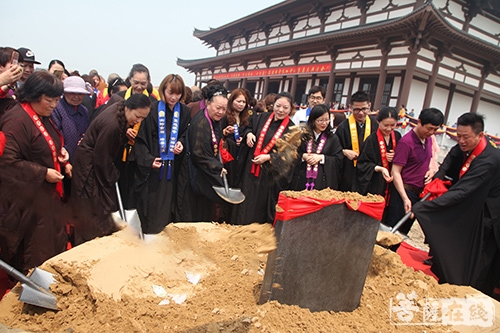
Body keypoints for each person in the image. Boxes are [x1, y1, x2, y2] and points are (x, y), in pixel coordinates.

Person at [413, 113, 500, 300]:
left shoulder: (490, 158)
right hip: (472, 204)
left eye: (465, 137)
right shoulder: (462, 147)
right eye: (458, 135)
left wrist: (429, 206)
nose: (460, 140)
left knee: (481, 258)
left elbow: (464, 189)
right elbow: (448, 165)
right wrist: (436, 181)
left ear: (480, 135)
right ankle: (445, 270)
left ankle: (473, 292)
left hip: (489, 214)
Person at [0, 71, 69, 273]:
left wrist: (59, 154)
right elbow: (7, 162)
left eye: (57, 100)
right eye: (49, 99)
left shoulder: (42, 115)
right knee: (35, 254)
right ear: (34, 95)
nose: (54, 105)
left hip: (46, 199)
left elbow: (45, 144)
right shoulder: (17, 120)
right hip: (26, 202)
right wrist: (43, 172)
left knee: (51, 247)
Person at [71, 94, 151, 244]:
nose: (138, 121)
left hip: (99, 160)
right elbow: (102, 159)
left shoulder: (120, 108)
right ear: (128, 107)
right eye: (137, 116)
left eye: (142, 118)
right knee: (93, 205)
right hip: (89, 166)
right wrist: (112, 176)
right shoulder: (112, 124)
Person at [134, 74, 190, 234]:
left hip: (174, 167)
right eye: (170, 92)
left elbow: (186, 133)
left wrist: (181, 142)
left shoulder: (184, 111)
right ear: (163, 90)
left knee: (172, 203)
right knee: (153, 205)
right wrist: (149, 160)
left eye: (178, 94)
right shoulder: (151, 109)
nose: (174, 97)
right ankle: (150, 234)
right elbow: (141, 140)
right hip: (155, 166)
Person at [232, 92, 297, 225]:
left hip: (268, 175)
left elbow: (292, 155)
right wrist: (249, 134)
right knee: (245, 202)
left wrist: (269, 157)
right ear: (273, 105)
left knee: (260, 206)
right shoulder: (262, 117)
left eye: (285, 108)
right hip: (250, 170)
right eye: (278, 106)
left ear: (291, 109)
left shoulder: (292, 129)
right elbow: (248, 126)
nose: (280, 110)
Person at [385, 108, 444, 235]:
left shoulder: (428, 140)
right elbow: (396, 172)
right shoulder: (407, 142)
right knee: (393, 230)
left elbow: (427, 161)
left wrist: (430, 170)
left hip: (419, 194)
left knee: (404, 232)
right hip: (404, 192)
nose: (431, 132)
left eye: (435, 129)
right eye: (429, 128)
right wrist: (405, 198)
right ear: (419, 122)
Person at [176, 84, 229, 222]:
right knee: (191, 214)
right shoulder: (201, 122)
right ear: (208, 103)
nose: (221, 112)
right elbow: (199, 154)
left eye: (224, 109)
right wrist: (217, 167)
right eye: (218, 108)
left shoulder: (215, 120)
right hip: (192, 173)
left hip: (203, 172)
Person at [115, 64, 159, 209]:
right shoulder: (118, 98)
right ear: (129, 80)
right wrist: (125, 130)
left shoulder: (153, 103)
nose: (139, 87)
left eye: (143, 83)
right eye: (136, 82)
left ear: (149, 82)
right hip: (119, 153)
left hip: (140, 156)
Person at [51, 76, 92, 195]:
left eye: (80, 93)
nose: (76, 97)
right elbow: (55, 136)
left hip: (80, 162)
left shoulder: (84, 110)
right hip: (62, 162)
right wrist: (65, 163)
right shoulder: (57, 108)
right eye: (72, 93)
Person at [291, 104, 343, 191]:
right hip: (301, 179)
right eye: (320, 120)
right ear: (313, 120)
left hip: (323, 181)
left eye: (326, 120)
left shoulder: (333, 138)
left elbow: (338, 158)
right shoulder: (302, 136)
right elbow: (292, 154)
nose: (324, 123)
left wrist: (321, 158)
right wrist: (303, 156)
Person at [353, 106, 402, 198]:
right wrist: (379, 168)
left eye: (392, 125)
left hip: (394, 181)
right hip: (375, 182)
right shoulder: (371, 140)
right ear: (378, 122)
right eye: (385, 125)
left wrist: (396, 157)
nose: (389, 129)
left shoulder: (397, 136)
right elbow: (362, 164)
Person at [336, 91, 378, 191]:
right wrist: (344, 152)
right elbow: (334, 149)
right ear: (350, 107)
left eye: (364, 109)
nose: (360, 113)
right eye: (357, 109)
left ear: (369, 105)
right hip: (348, 172)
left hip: (369, 173)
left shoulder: (375, 126)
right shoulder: (343, 127)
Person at [0, 47, 23, 116]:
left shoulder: (14, 87)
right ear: (0, 67)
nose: (17, 68)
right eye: (13, 64)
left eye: (20, 65)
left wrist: (8, 86)